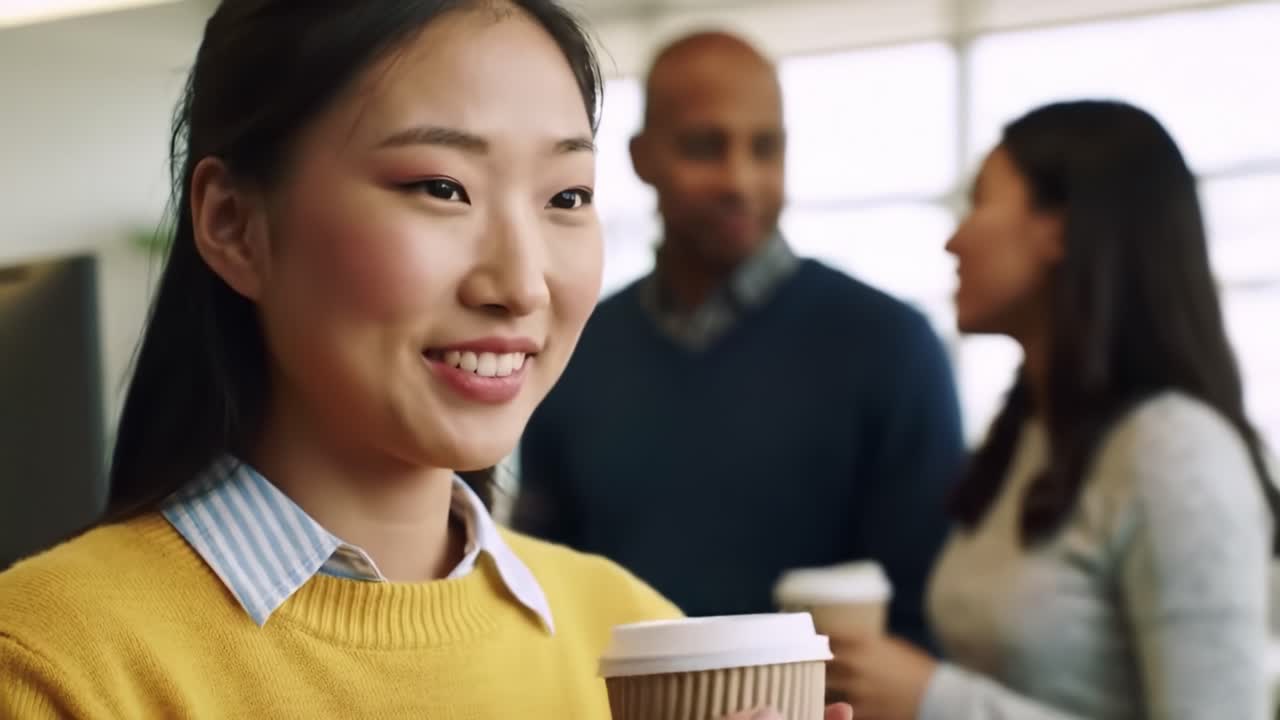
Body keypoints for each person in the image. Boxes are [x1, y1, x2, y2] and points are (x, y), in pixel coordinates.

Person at [0, 2, 854, 718]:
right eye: (441, 187)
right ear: (233, 224)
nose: (521, 285)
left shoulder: (630, 638)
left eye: (567, 197)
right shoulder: (53, 664)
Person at [514, 30, 966, 650]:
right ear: (641, 158)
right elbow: (541, 592)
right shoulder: (575, 348)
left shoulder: (892, 347)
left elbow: (926, 619)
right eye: (706, 147)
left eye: (765, 148)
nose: (740, 180)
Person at [831, 100, 1279, 720]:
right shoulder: (1029, 436)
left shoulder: (1177, 455)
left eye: (980, 203)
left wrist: (936, 702)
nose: (953, 239)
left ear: (1061, 228)